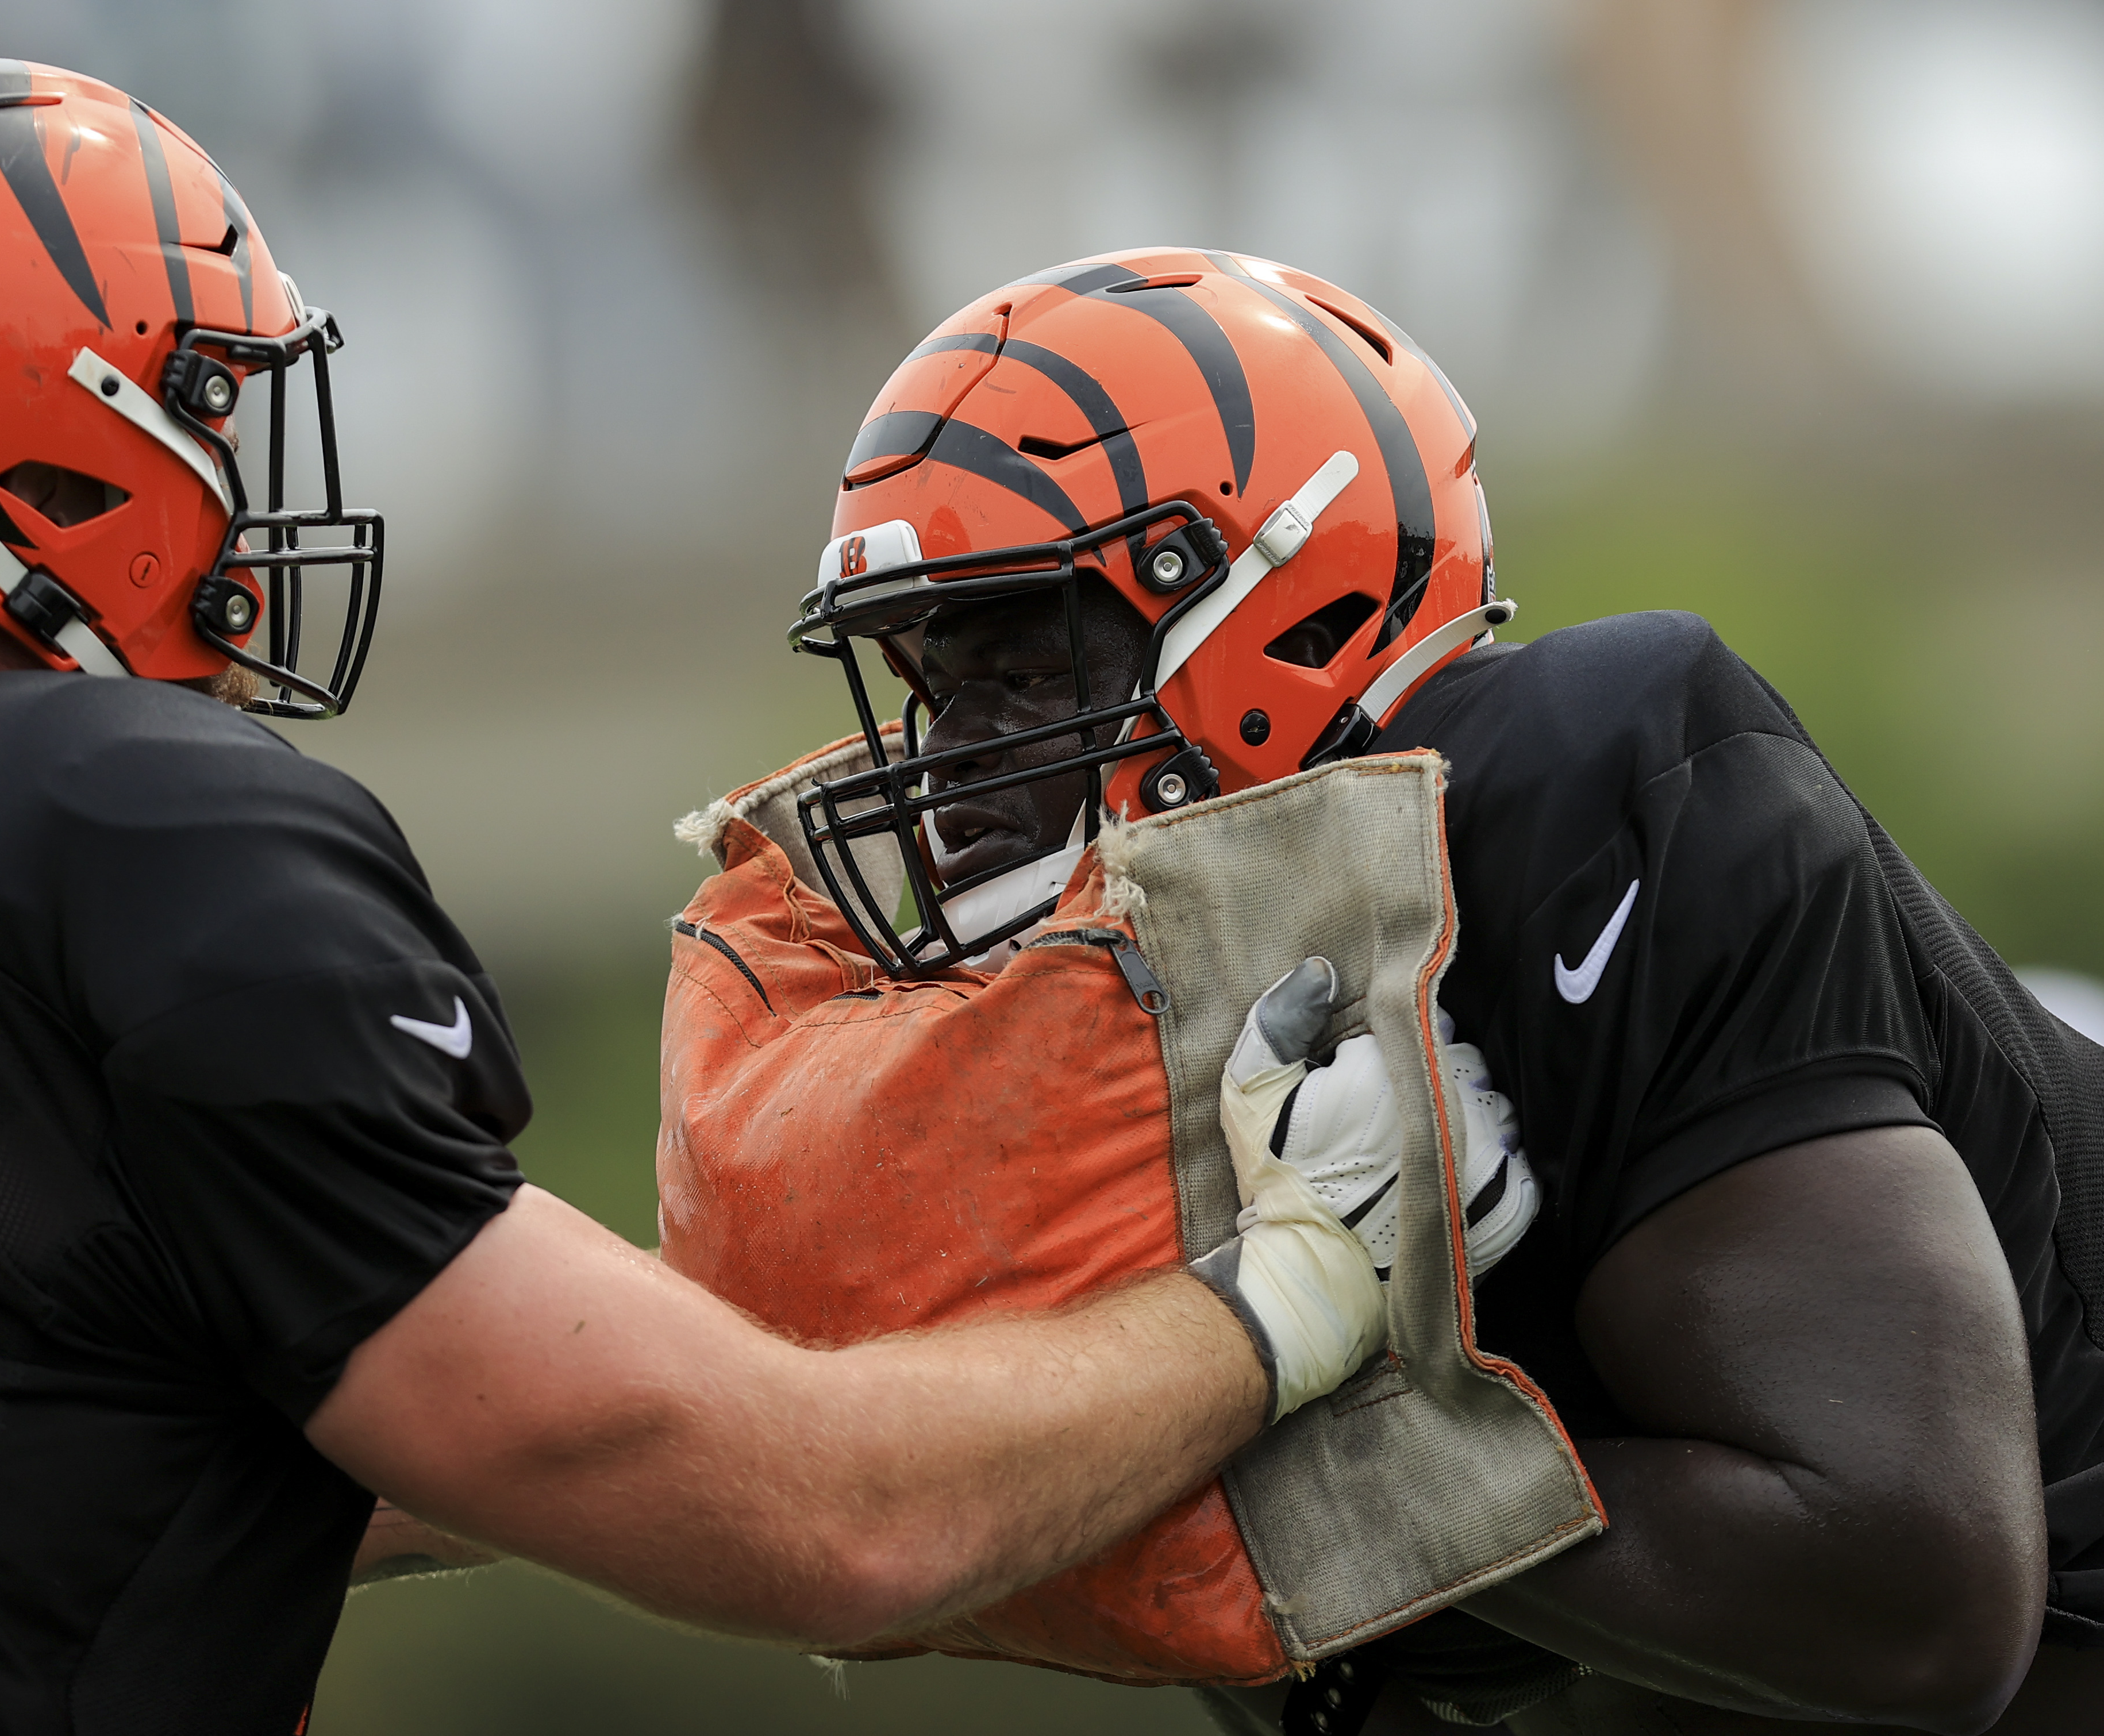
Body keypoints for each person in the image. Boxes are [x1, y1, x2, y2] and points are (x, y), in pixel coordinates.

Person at [0, 66, 1391, 1734]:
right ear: (51, 441)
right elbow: (822, 1518)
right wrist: (1282, 1301)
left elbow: (80, 1409)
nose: (245, 481)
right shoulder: (126, 817)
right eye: (204, 404)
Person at [782, 246, 2104, 1734]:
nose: (947, 772)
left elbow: (1913, 1599)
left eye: (1019, 671)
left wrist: (1265, 1432)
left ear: (1276, 608)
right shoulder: (1165, 1033)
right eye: (928, 691)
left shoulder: (1584, 793)